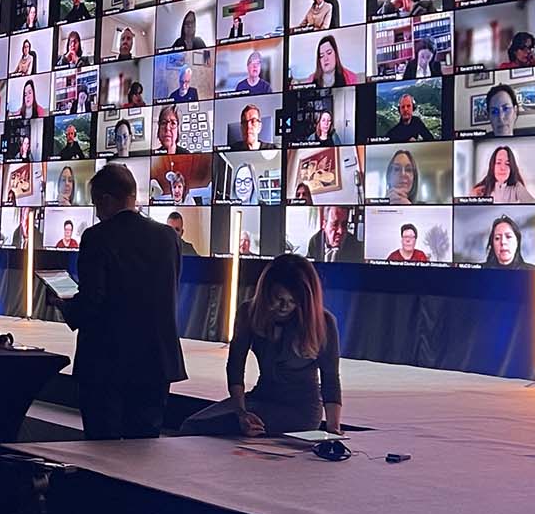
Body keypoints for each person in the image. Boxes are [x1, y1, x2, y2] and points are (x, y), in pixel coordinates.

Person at [52, 162, 184, 440]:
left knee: (102, 450)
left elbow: (92, 302)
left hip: (107, 363)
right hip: (156, 362)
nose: (97, 212)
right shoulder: (169, 237)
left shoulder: (96, 238)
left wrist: (64, 304)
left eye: (96, 204)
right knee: (144, 448)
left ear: (106, 200)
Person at [184, 255, 342, 436]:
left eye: (293, 301)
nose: (285, 306)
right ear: (266, 293)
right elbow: (235, 366)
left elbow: (330, 379)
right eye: (278, 299)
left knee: (214, 429)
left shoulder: (323, 322)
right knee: (192, 425)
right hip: (260, 398)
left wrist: (333, 428)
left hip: (300, 410)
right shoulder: (249, 313)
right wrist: (241, 412)